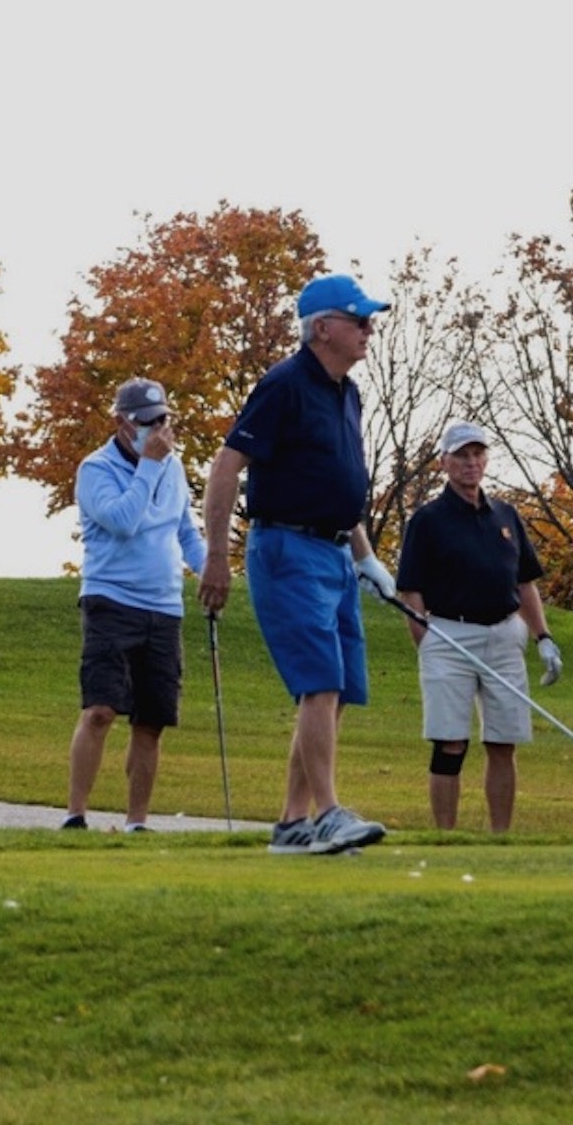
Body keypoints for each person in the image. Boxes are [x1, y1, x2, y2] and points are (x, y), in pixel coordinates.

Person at [199, 273, 397, 855]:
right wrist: (216, 557)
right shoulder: (284, 384)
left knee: (334, 694)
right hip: (285, 548)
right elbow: (225, 467)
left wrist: (367, 559)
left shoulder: (349, 393)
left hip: (335, 552)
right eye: (358, 321)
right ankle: (330, 813)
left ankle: (293, 823)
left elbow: (334, 484)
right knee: (319, 683)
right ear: (322, 328)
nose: (368, 330)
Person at [395, 420, 563, 832]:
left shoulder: (505, 515)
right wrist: (427, 643)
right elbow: (410, 591)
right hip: (449, 634)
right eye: (461, 456)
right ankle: (446, 837)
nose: (471, 463)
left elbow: (524, 582)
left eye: (477, 454)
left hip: (505, 634)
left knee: (503, 742)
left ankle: (500, 837)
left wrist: (543, 637)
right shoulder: (428, 520)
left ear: (486, 459)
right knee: (450, 743)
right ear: (444, 463)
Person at [62, 377, 206, 832]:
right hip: (110, 599)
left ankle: (136, 822)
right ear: (121, 422)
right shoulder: (95, 469)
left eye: (162, 419)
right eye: (147, 422)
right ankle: (75, 815)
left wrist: (211, 572)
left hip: (164, 606)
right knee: (101, 710)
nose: (157, 429)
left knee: (151, 720)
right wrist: (148, 465)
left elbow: (185, 530)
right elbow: (123, 522)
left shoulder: (174, 467)